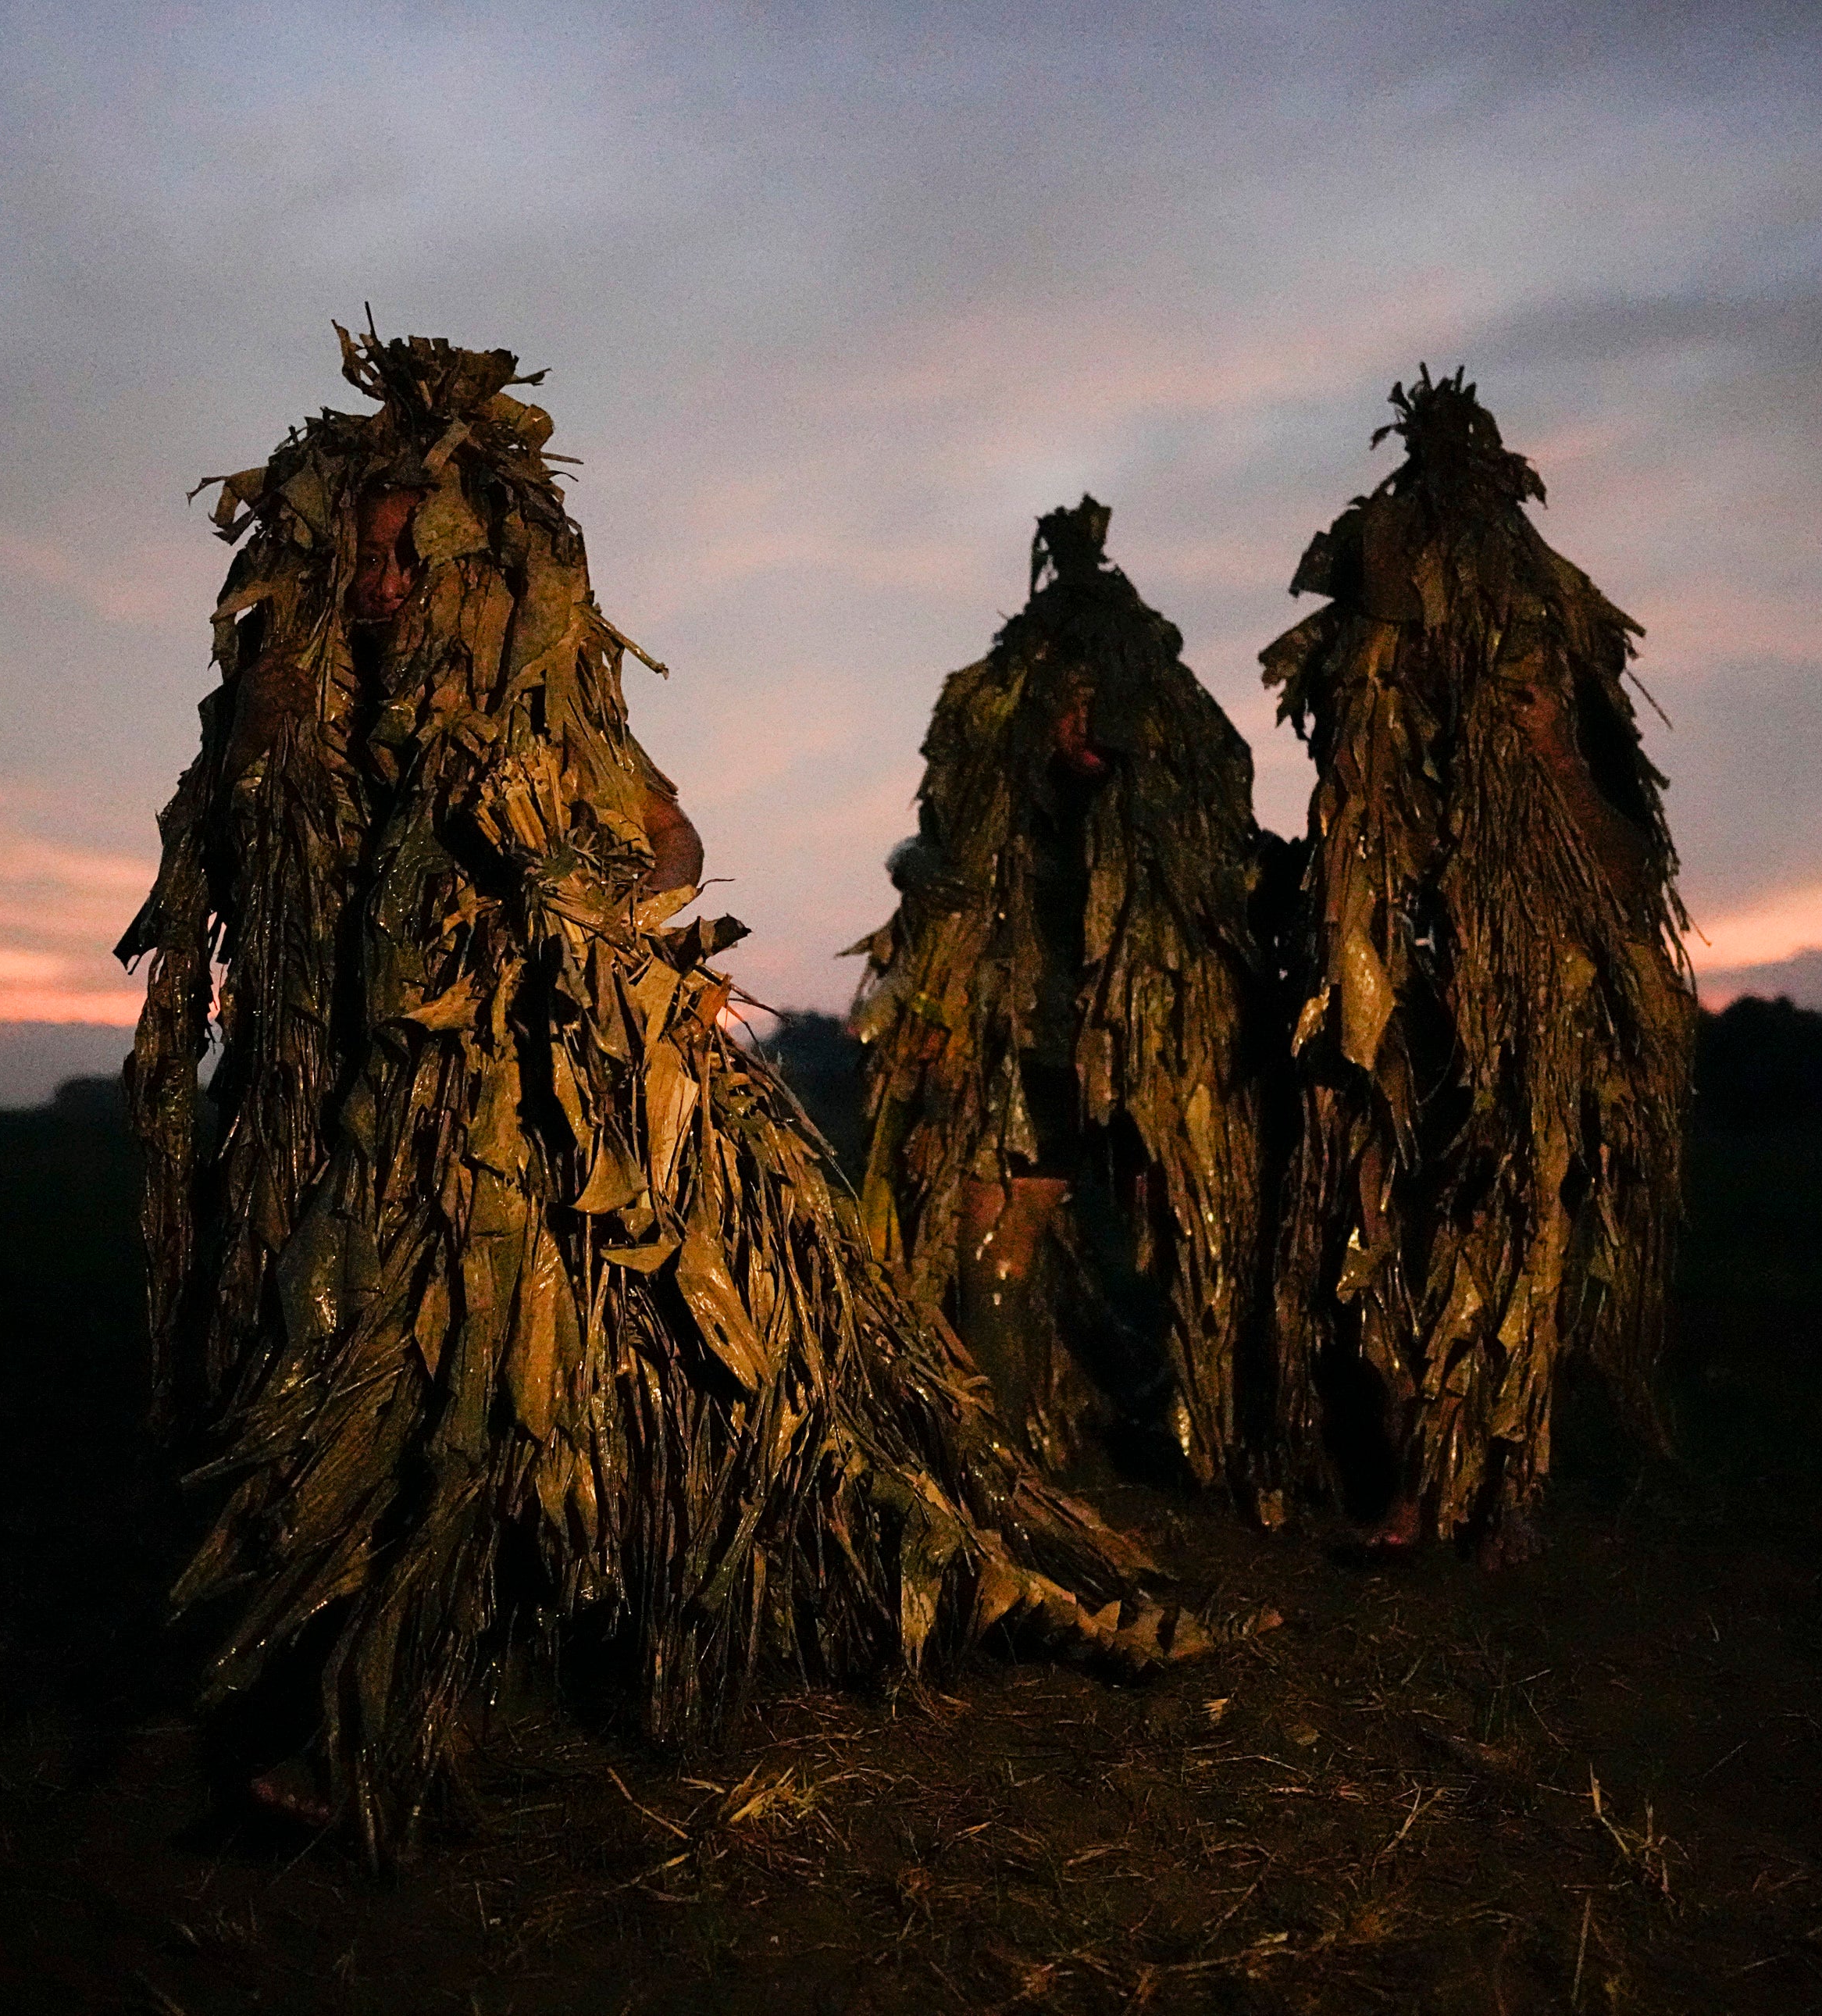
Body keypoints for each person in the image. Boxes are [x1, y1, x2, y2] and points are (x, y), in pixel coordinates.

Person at [114, 332, 1226, 1864]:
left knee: (486, 1399)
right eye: (359, 557)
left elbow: (671, 841)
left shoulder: (541, 701)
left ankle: (395, 1719)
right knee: (359, 1384)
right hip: (347, 1114)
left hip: (524, 1121)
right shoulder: (283, 707)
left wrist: (563, 894)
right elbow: (245, 890)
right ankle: (394, 1677)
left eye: (408, 555)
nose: (382, 586)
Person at [1253, 369, 1695, 1559]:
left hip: (1531, 1007)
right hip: (1402, 998)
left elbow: (1626, 868)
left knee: (1510, 1237)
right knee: (1383, 1225)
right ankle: (1410, 1485)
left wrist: (1547, 745)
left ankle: (1506, 1493)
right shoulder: (1377, 761)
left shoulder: (1558, 688)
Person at [851, 498, 1268, 1487]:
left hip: (1159, 1041)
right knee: (996, 1218)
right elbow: (923, 843)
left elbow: (1229, 877)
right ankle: (996, 1452)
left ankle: (1204, 1435)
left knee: (1188, 1223)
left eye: (1103, 700)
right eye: (1067, 703)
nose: (1088, 724)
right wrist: (917, 866)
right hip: (1024, 1024)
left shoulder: (1180, 789)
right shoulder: (991, 778)